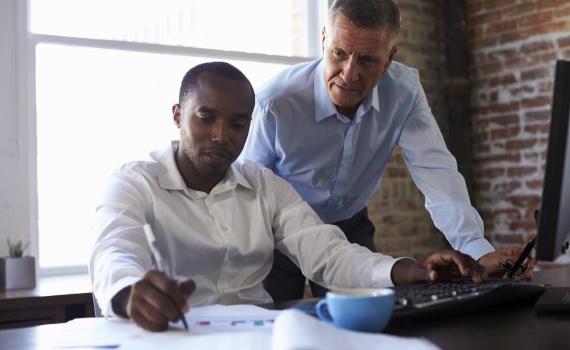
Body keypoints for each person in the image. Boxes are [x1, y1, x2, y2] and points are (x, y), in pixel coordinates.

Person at [89, 61, 486, 332]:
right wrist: (128, 291)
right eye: (205, 118)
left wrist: (412, 271)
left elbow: (329, 254)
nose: (220, 135)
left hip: (262, 339)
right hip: (173, 336)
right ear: (178, 115)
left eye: (237, 123)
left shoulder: (263, 185)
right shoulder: (133, 182)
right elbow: (113, 251)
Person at [238, 0, 531, 301]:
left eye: (367, 59)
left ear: (390, 58)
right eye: (339, 53)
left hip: (350, 231)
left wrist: (476, 249)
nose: (349, 74)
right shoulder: (275, 103)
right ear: (324, 39)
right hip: (278, 237)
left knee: (368, 328)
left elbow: (437, 172)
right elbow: (246, 190)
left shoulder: (404, 92)